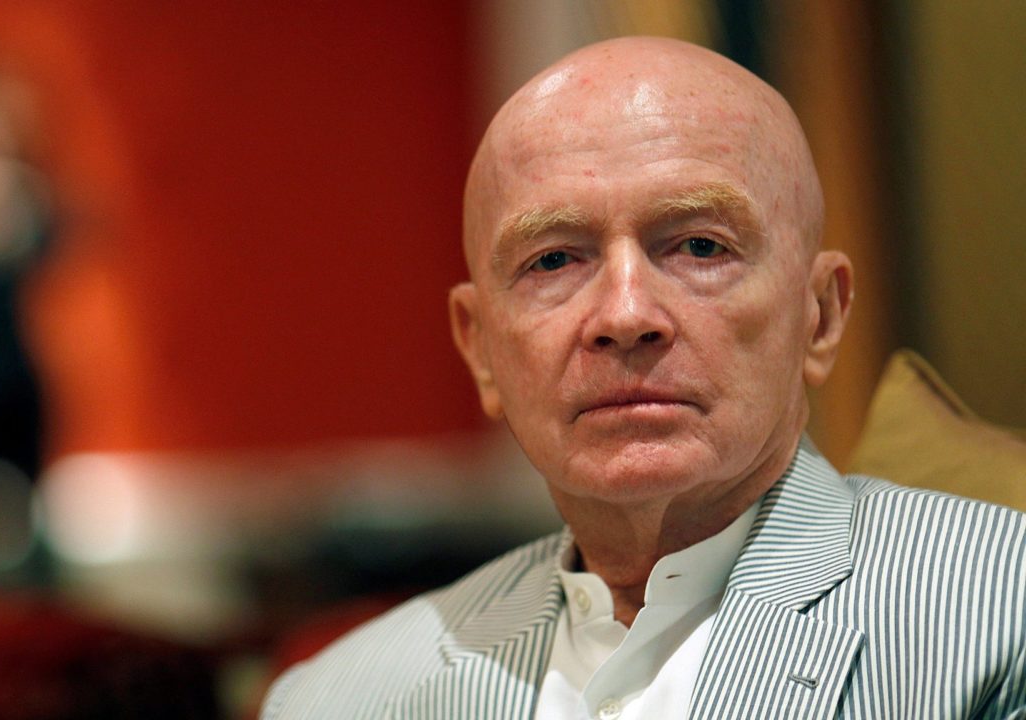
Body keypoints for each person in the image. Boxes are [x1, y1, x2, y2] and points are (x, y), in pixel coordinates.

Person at [261, 36, 1026, 719]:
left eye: (699, 246)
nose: (625, 314)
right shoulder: (338, 697)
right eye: (553, 260)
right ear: (481, 347)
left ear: (819, 315)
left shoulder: (1000, 617)